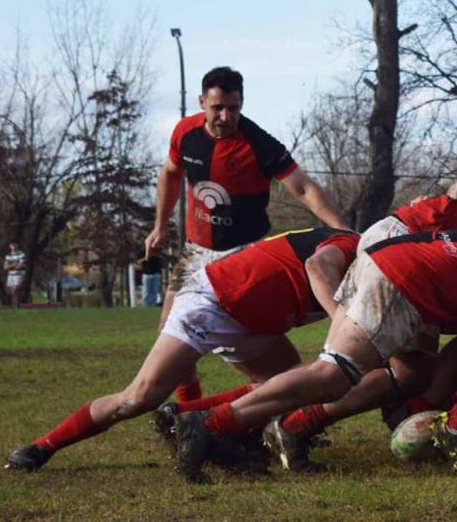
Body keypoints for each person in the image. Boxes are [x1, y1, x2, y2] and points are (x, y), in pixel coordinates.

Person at [172, 177, 457, 483]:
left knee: (408, 371)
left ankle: (264, 424)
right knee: (334, 373)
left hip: (399, 263)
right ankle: (210, 423)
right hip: (399, 280)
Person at [4, 226, 360, 472]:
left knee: (287, 385)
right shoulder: (357, 247)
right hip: (214, 302)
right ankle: (42, 447)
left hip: (257, 320)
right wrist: (343, 325)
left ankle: (194, 421)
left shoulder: (382, 261)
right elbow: (317, 266)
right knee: (140, 397)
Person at [144, 66, 350, 403]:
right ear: (202, 103)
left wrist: (343, 231)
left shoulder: (259, 144)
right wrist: (160, 225)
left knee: (252, 346)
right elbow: (169, 174)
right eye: (217, 108)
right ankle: (189, 411)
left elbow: (303, 188)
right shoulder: (185, 133)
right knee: (169, 331)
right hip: (195, 251)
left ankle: (274, 406)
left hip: (244, 254)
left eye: (234, 108)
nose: (226, 116)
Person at [2, 241, 26, 308]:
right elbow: (5, 267)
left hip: (19, 274)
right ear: (9, 246)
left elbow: (20, 266)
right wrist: (14, 264)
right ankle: (14, 304)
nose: (13, 246)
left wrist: (10, 265)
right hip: (11, 275)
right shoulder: (8, 255)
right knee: (11, 291)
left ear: (17, 245)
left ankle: (18, 304)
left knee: (16, 289)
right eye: (12, 245)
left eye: (15, 245)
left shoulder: (21, 254)